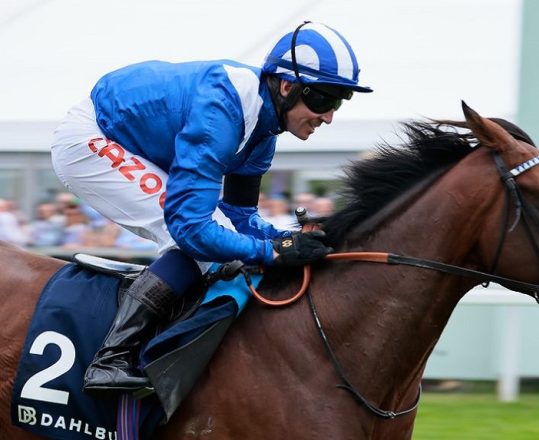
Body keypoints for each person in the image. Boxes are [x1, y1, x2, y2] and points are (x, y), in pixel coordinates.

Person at [49, 21, 372, 394]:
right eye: (324, 99)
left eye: (339, 102)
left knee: (221, 235)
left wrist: (287, 239)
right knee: (189, 237)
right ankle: (111, 358)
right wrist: (275, 252)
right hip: (91, 137)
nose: (329, 116)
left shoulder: (265, 130)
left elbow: (240, 218)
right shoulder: (223, 111)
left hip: (132, 139)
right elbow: (191, 228)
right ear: (287, 86)